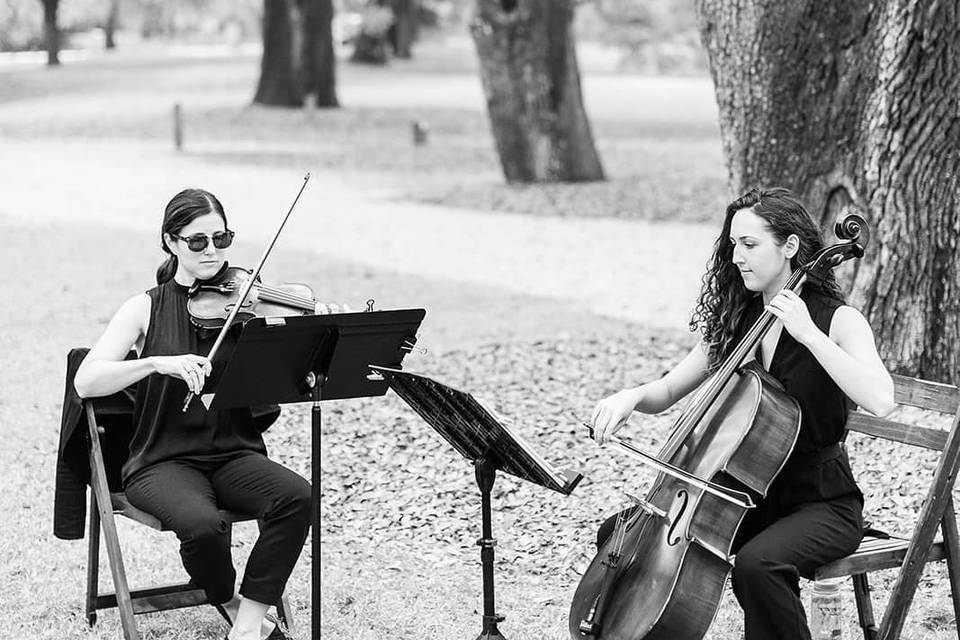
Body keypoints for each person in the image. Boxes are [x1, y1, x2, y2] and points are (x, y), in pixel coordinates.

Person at [589, 187, 896, 640]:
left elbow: (882, 399)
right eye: (734, 244)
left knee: (758, 565)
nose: (737, 256)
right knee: (621, 534)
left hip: (822, 503)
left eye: (749, 245)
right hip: (746, 497)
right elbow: (671, 387)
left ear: (790, 247)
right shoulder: (738, 317)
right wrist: (630, 397)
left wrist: (810, 335)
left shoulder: (836, 320)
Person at [74, 188, 340, 640]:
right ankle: (227, 598)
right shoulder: (145, 308)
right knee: (202, 527)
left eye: (222, 238)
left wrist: (320, 344)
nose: (212, 251)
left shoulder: (247, 306)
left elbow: (286, 375)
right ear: (171, 242)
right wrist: (157, 363)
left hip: (233, 454)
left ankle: (250, 622)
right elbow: (86, 380)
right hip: (163, 461)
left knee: (296, 496)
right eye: (198, 241)